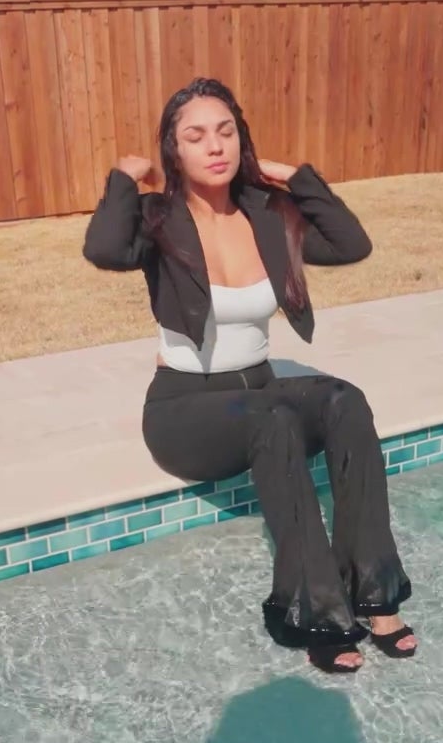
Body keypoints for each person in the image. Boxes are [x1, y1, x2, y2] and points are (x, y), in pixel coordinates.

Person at [82, 77, 416, 674]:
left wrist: (300, 180)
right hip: (185, 411)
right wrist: (123, 181)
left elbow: (350, 245)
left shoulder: (266, 214)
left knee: (345, 400)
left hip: (257, 392)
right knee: (273, 415)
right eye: (196, 136)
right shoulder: (159, 219)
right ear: (174, 151)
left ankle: (376, 593)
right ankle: (316, 611)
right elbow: (106, 249)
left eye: (226, 131)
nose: (215, 146)